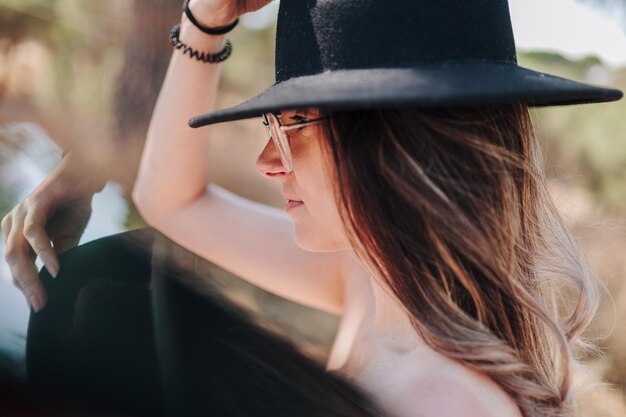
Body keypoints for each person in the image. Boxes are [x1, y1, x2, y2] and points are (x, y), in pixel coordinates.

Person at [2, 0, 623, 417]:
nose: (267, 161)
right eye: (270, 124)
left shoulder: (439, 400)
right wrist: (205, 21)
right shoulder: (376, 282)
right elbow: (172, 200)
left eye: (295, 124)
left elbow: (172, 201)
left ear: (397, 144)